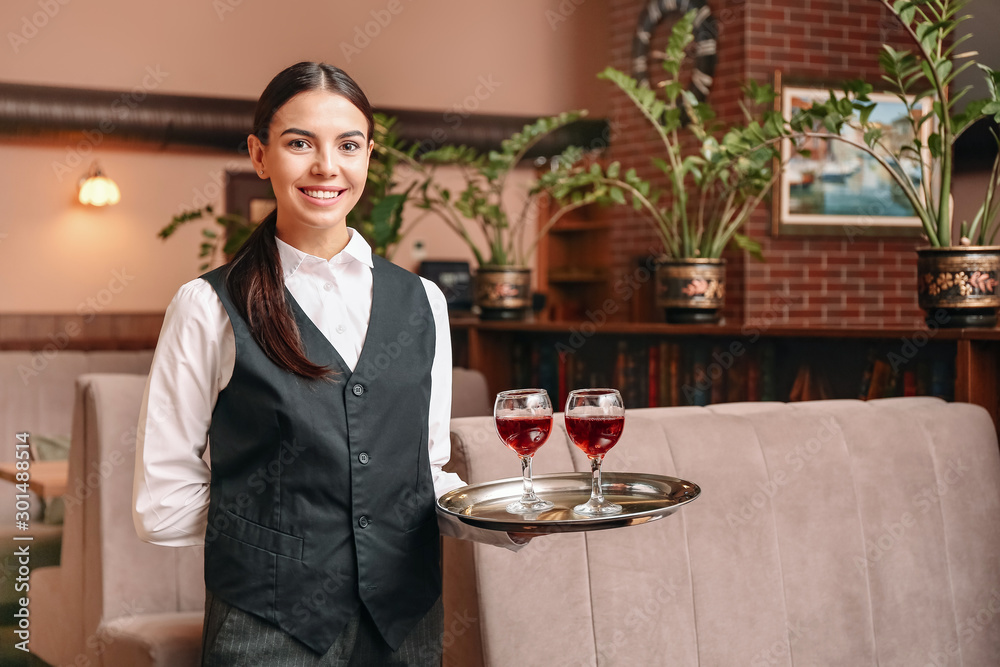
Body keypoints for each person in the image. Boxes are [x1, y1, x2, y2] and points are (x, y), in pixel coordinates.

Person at [132, 61, 523, 667]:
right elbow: (162, 504)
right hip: (266, 625)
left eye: (347, 145)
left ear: (369, 154)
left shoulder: (424, 303)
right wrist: (279, 537)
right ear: (259, 156)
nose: (325, 167)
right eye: (298, 144)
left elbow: (421, 472)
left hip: (403, 621)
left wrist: (499, 519)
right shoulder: (207, 304)